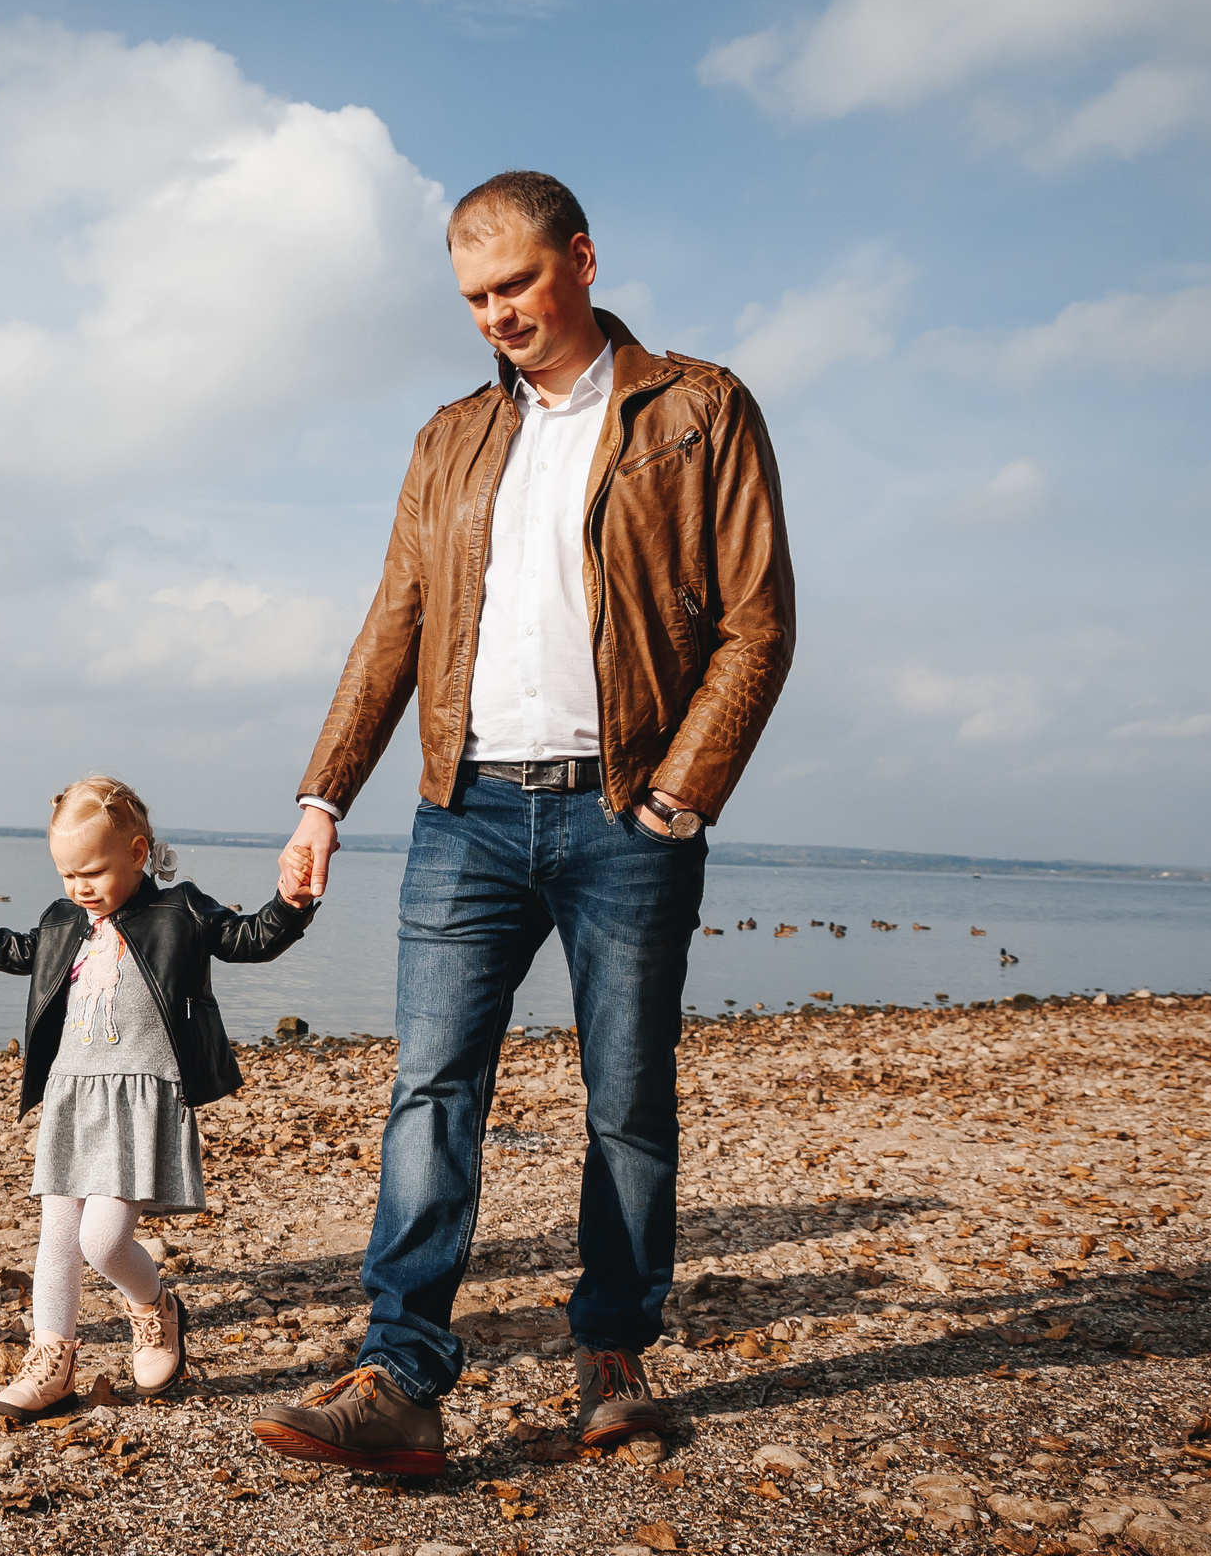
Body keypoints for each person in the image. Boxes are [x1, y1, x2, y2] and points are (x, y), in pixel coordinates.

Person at [251, 172, 796, 1474]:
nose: (494, 313)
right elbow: (395, 623)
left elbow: (757, 619)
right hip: (467, 812)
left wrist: (680, 792)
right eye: (473, 297)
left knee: (627, 1101)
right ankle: (401, 1371)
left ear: (583, 261)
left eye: (515, 286)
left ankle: (614, 1358)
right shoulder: (448, 438)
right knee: (430, 1086)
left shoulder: (697, 408)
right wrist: (325, 794)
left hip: (627, 817)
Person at [0, 776, 316, 1415]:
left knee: (102, 1242)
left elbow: (249, 939)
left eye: (92, 871)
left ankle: (154, 1306)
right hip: (73, 1095)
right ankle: (51, 1358)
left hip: (140, 1101)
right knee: (57, 1236)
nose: (78, 887)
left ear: (138, 854)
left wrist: (292, 901)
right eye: (66, 874)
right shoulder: (64, 922)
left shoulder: (180, 912)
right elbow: (16, 952)